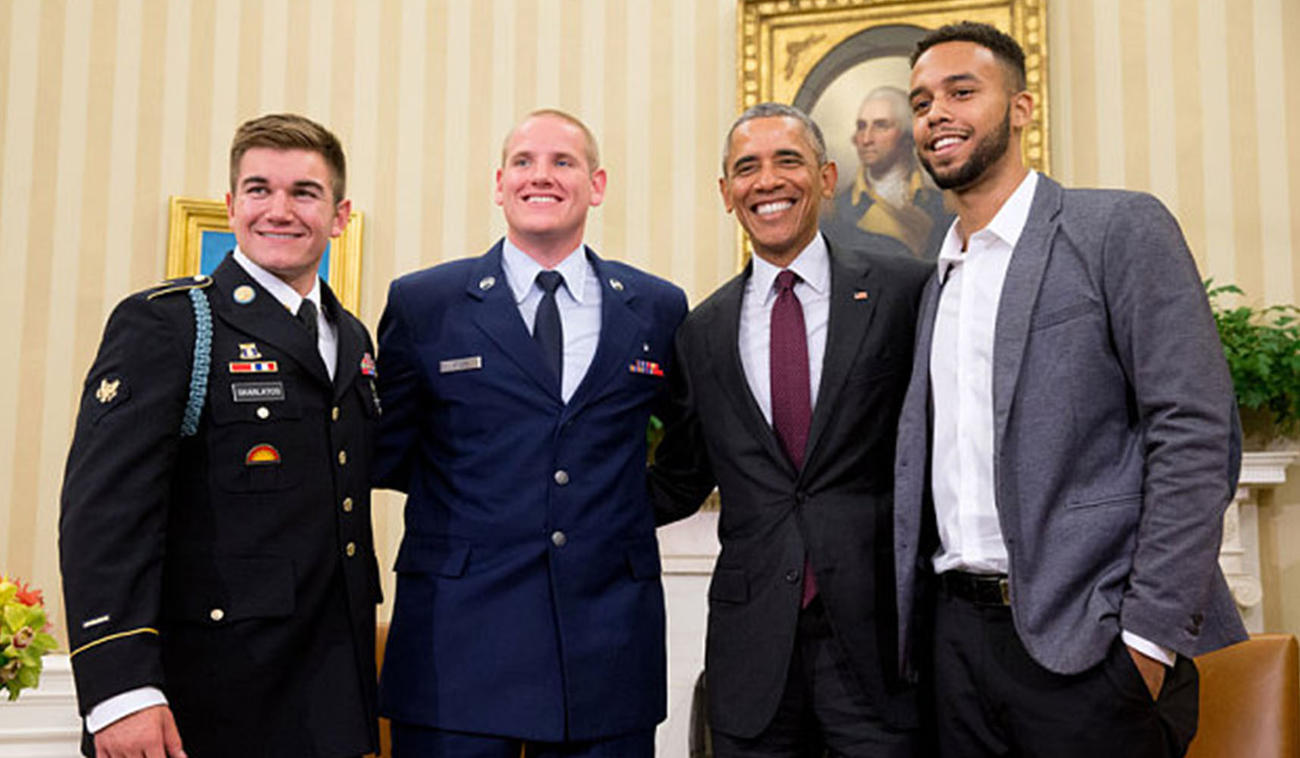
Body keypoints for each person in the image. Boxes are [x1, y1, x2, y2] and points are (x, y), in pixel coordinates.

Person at [892, 22, 1246, 758]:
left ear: (1021, 107)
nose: (936, 115)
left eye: (963, 91)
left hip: (1092, 645)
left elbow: (1196, 430)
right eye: (921, 102)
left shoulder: (1116, 227)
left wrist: (1146, 639)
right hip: (959, 645)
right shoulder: (938, 278)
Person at [60, 113, 381, 757]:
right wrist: (121, 691)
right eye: (260, 190)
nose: (279, 210)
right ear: (232, 205)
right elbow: (103, 518)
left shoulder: (352, 339)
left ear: (339, 215)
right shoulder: (172, 325)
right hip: (199, 699)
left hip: (324, 698)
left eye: (304, 193)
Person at [372, 109, 687, 757]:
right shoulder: (425, 303)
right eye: (524, 161)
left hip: (605, 649)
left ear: (596, 186)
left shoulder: (656, 307)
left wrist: (618, 510)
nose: (541, 176)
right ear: (498, 183)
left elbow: (689, 444)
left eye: (563, 162)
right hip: (456, 646)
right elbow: (392, 450)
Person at [649, 102, 930, 757]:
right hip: (754, 653)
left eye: (788, 162)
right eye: (747, 168)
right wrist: (566, 509)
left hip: (879, 648)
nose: (766, 180)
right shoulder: (702, 330)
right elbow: (685, 475)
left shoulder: (901, 292)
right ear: (727, 194)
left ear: (828, 178)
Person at [822, 86, 951, 260]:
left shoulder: (942, 204)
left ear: (907, 135)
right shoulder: (839, 209)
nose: (866, 139)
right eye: (861, 127)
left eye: (881, 126)